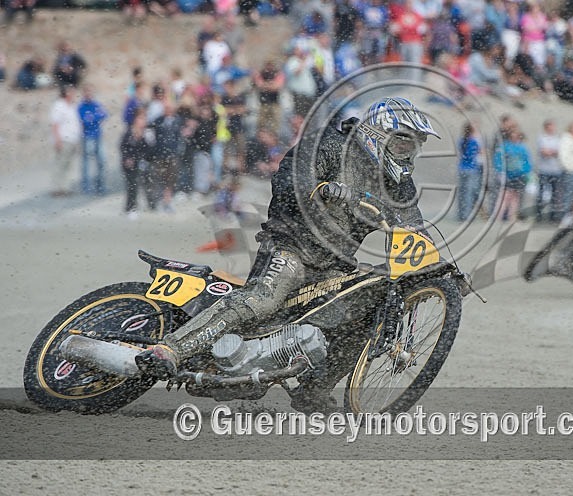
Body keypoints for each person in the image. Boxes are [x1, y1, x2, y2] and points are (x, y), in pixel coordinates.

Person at [134, 97, 439, 412]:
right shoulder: (330, 144)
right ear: (379, 131)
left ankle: (313, 392)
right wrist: (318, 191)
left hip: (334, 266)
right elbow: (289, 176)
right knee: (263, 300)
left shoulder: (399, 184)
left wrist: (440, 272)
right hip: (290, 245)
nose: (409, 151)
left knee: (364, 316)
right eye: (404, 141)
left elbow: (414, 227)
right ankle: (170, 349)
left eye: (416, 144)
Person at [49, 86, 82, 197]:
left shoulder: (72, 106)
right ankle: (57, 187)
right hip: (63, 139)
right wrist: (57, 139)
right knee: (60, 164)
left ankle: (66, 187)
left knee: (69, 164)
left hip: (72, 139)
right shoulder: (59, 105)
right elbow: (55, 124)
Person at [77, 85, 108, 195]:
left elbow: (104, 114)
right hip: (87, 136)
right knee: (86, 162)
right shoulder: (81, 106)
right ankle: (86, 186)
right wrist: (95, 117)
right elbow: (84, 120)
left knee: (102, 161)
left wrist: (93, 118)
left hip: (97, 135)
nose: (89, 95)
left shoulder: (96, 104)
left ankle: (100, 185)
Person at [535, 119, 562, 223]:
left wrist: (551, 151)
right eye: (551, 126)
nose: (553, 128)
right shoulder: (541, 138)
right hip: (544, 170)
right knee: (541, 194)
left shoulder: (557, 139)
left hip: (556, 170)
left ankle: (553, 216)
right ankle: (539, 216)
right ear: (546, 127)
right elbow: (544, 152)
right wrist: (553, 152)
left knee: (555, 195)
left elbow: (560, 152)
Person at [457, 122, 483, 221]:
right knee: (469, 193)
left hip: (462, 168)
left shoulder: (461, 140)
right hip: (471, 169)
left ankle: (461, 214)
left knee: (462, 193)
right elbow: (480, 152)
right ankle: (466, 215)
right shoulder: (474, 141)